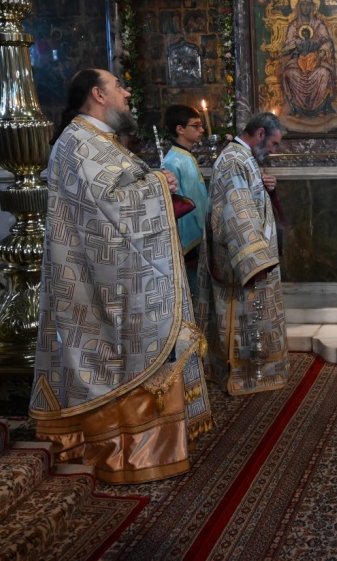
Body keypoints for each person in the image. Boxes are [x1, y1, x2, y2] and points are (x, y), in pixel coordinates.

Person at [29, 69, 212, 484]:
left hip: (118, 274)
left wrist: (154, 182)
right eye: (118, 87)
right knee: (117, 354)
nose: (127, 93)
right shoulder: (79, 142)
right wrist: (157, 187)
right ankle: (123, 452)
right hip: (97, 282)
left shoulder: (97, 140)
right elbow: (107, 209)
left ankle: (153, 448)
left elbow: (117, 192)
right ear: (98, 94)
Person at [195, 112, 290, 395]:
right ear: (259, 133)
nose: (273, 150)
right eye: (273, 143)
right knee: (244, 319)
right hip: (243, 260)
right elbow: (238, 213)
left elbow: (248, 200)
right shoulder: (234, 160)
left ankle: (257, 370)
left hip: (252, 254)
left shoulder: (242, 157)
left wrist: (265, 188)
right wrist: (255, 262)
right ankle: (246, 374)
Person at [161, 104, 209, 285]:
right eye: (196, 126)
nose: (201, 130)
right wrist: (189, 251)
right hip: (190, 242)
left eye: (201, 125)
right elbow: (178, 207)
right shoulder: (172, 161)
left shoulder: (185, 156)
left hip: (200, 234)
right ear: (180, 129)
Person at [281, 0, 336, 118]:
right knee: (290, 74)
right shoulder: (294, 25)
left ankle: (320, 109)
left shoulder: (318, 24)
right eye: (302, 4)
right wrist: (296, 44)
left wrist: (321, 53)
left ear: (312, 6)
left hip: (316, 60)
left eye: (307, 4)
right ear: (298, 7)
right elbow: (288, 43)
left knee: (324, 74)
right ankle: (297, 109)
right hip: (297, 60)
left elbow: (327, 41)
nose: (305, 8)